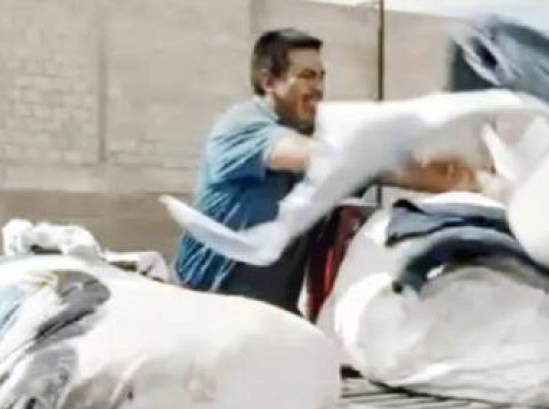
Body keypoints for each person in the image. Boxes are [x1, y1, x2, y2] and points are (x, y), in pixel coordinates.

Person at [174, 27, 480, 314]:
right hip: (204, 307)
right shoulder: (242, 126)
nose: (319, 88)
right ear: (269, 82)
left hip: (272, 318)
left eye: (321, 76)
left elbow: (397, 169)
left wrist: (478, 182)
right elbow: (311, 155)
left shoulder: (321, 139)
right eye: (307, 76)